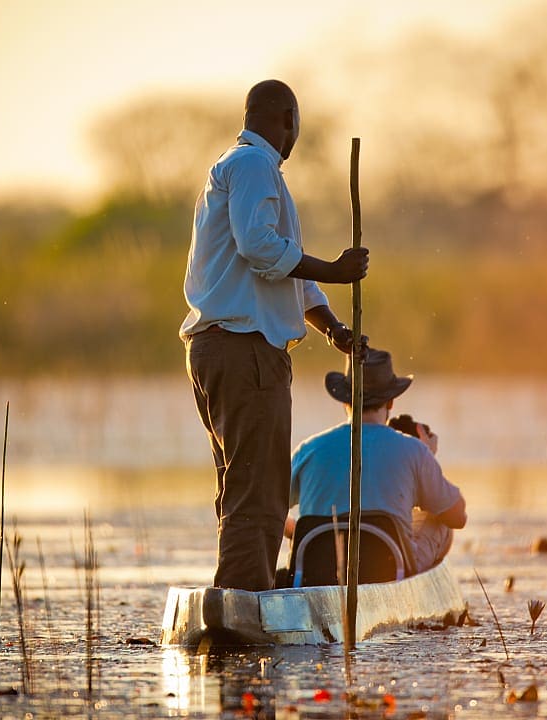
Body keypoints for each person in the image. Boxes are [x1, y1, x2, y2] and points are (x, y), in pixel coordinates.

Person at [180, 79, 369, 592]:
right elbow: (260, 248)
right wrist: (335, 270)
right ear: (288, 120)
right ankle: (245, 603)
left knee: (242, 484)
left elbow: (288, 274)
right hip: (244, 351)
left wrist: (333, 328)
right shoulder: (253, 164)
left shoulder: (243, 168)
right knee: (260, 492)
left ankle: (239, 597)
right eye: (296, 124)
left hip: (226, 349)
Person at [289, 348, 467, 573]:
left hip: (316, 572)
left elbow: (268, 510)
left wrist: (297, 532)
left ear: (345, 401)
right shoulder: (414, 451)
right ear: (391, 402)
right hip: (388, 571)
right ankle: (415, 587)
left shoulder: (308, 449)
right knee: (439, 520)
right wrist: (427, 457)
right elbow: (457, 517)